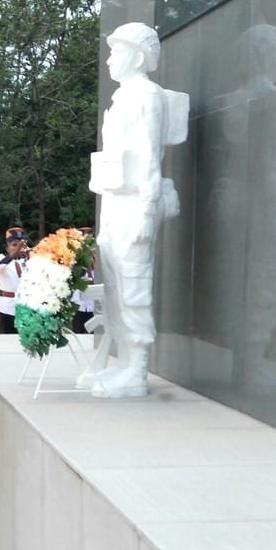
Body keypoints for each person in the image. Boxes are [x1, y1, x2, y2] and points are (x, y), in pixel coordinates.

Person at [88, 22, 188, 398]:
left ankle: (138, 368)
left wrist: (147, 211)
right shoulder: (123, 98)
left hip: (134, 204)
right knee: (115, 284)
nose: (111, 58)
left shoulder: (146, 95)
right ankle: (126, 363)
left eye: (117, 51)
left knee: (133, 284)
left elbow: (148, 157)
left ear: (136, 54)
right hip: (115, 200)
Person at [0, 226, 29, 334]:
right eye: (14, 245)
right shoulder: (1, 259)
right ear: (7, 247)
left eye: (21, 245)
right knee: (7, 338)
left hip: (26, 305)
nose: (18, 248)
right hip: (7, 306)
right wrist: (15, 253)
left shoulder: (28, 260)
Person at [71, 226, 95, 334]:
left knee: (93, 333)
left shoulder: (96, 257)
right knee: (78, 331)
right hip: (79, 301)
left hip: (93, 303)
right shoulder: (75, 258)